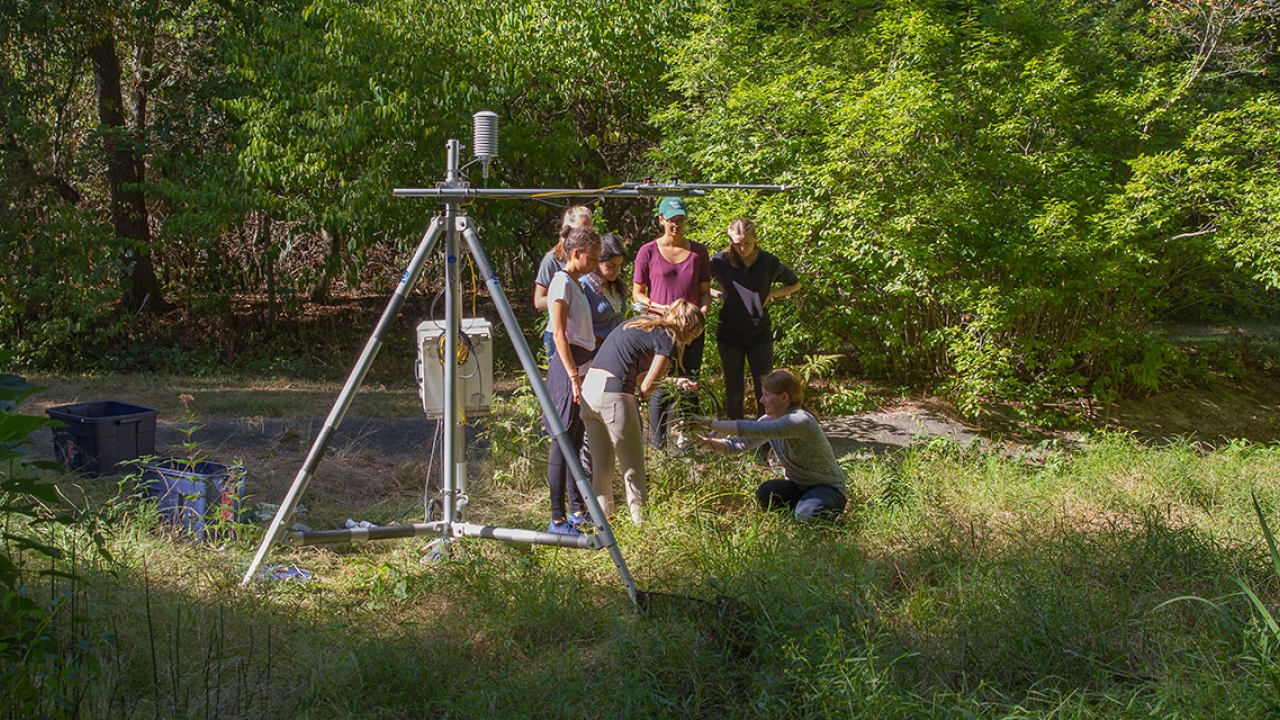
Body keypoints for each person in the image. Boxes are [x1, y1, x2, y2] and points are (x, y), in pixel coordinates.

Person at [580, 299, 705, 525]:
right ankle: (643, 529)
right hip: (615, 395)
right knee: (633, 469)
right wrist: (651, 391)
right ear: (688, 326)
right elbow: (647, 387)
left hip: (589, 390)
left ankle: (604, 527)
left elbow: (639, 376)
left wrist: (673, 382)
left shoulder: (643, 324)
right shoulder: (668, 337)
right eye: (694, 336)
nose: (692, 341)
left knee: (602, 467)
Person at [688, 369, 847, 521]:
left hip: (828, 489)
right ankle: (802, 509)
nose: (761, 400)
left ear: (784, 398)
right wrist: (699, 441)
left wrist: (707, 424)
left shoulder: (799, 420)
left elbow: (751, 429)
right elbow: (734, 446)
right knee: (767, 493)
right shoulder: (769, 420)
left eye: (766, 395)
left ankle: (825, 517)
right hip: (798, 486)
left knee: (808, 513)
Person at [632, 197, 711, 449]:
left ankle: (688, 440)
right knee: (661, 385)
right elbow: (637, 294)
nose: (676, 225)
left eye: (681, 220)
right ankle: (658, 444)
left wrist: (702, 313)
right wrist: (659, 308)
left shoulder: (698, 252)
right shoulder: (648, 251)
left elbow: (705, 291)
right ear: (661, 220)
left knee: (689, 382)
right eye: (671, 220)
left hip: (690, 331)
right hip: (660, 330)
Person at [710, 218, 800, 419]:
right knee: (733, 387)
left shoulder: (768, 262)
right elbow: (696, 281)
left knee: (765, 389)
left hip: (759, 332)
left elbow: (795, 283)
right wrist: (715, 293)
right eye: (737, 243)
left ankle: (765, 435)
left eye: (747, 243)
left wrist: (769, 294)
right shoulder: (720, 261)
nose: (742, 248)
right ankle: (735, 436)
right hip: (729, 332)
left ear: (755, 239)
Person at [543, 226, 601, 535]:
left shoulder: (577, 284)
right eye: (591, 258)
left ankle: (577, 510)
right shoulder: (561, 282)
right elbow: (559, 332)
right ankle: (557, 519)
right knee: (562, 440)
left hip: (584, 363)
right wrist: (572, 375)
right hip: (569, 368)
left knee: (576, 441)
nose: (595, 264)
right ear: (575, 254)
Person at [534, 205, 594, 359]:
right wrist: (565, 299)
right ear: (568, 230)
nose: (586, 235)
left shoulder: (589, 259)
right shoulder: (552, 259)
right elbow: (538, 300)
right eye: (581, 230)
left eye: (590, 230)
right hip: (560, 334)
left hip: (582, 336)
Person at [581, 233, 629, 345]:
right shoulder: (585, 286)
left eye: (619, 265)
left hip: (617, 348)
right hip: (593, 350)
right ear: (598, 262)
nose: (616, 270)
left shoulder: (616, 286)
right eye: (611, 266)